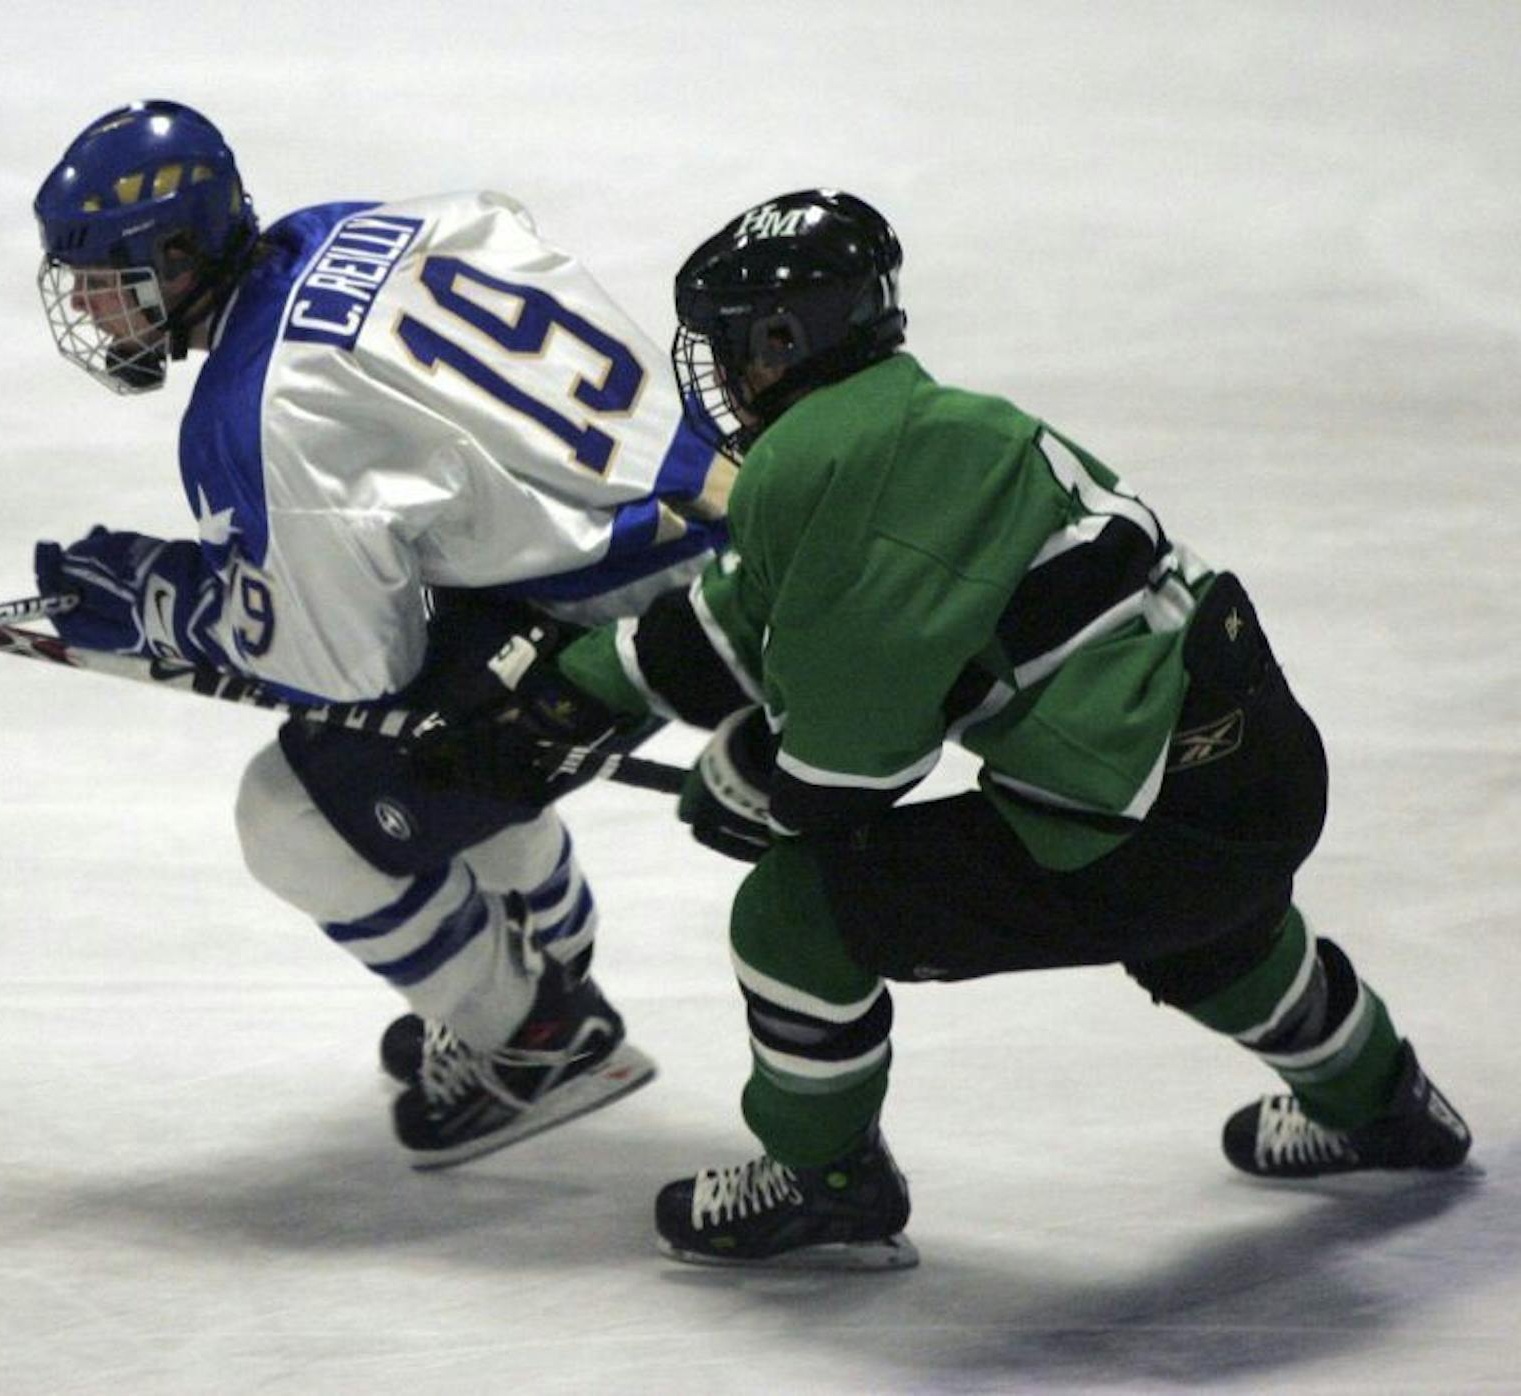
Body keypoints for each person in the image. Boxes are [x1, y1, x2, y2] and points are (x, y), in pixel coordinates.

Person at [446, 189, 1473, 1266]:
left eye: (733, 344)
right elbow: (770, 611)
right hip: (1249, 760)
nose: (722, 373)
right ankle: (1381, 1101)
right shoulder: (932, 419)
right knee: (1220, 931)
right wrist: (583, 683)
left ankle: (825, 1177)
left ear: (784, 339)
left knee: (799, 917)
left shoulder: (815, 463)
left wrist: (750, 778)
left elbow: (851, 770)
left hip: (1144, 821)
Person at [26, 101, 731, 1167]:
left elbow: (347, 660)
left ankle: (537, 1036)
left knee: (296, 810)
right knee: (427, 692)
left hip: (642, 614)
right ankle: (546, 960)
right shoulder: (341, 227)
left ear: (178, 255)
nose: (89, 307)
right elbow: (503, 231)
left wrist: (153, 595)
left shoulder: (254, 410)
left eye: (105, 280)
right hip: (710, 517)